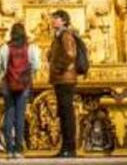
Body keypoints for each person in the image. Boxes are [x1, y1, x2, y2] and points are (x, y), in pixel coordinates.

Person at [0, 23, 40, 159]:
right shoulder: (31, 47)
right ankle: (18, 150)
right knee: (20, 116)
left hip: (8, 84)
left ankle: (9, 149)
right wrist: (28, 74)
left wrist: (5, 73)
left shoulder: (5, 47)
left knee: (9, 115)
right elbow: (36, 65)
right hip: (24, 84)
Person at [48, 10, 78, 158]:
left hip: (65, 78)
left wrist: (57, 67)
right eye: (53, 18)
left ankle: (70, 148)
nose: (53, 20)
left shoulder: (65, 35)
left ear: (64, 20)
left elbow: (70, 55)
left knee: (67, 114)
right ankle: (65, 147)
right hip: (61, 79)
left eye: (56, 18)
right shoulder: (58, 36)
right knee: (64, 113)